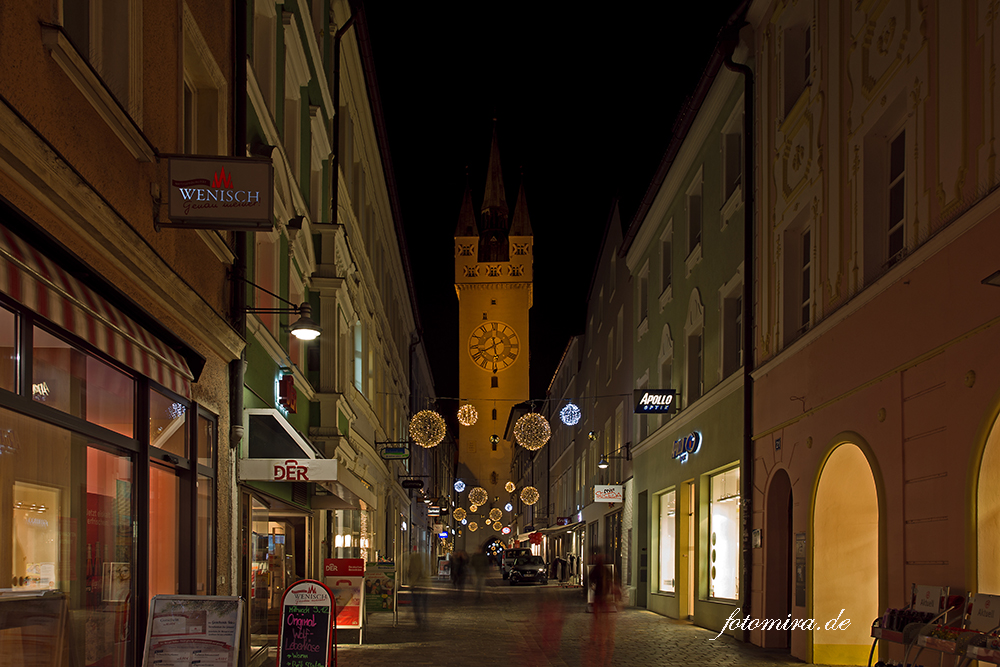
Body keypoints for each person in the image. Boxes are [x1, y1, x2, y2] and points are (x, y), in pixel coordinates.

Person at [587, 554, 617, 667]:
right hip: (602, 596)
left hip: (600, 595)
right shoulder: (602, 569)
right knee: (602, 616)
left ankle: (597, 634)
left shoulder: (597, 569)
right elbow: (609, 580)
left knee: (598, 617)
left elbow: (591, 580)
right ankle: (602, 634)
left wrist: (592, 587)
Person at [407, 547, 429, 626]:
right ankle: (425, 616)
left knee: (416, 602)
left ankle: (418, 618)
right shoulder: (426, 557)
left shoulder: (412, 558)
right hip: (424, 585)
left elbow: (408, 571)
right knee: (424, 602)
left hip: (415, 584)